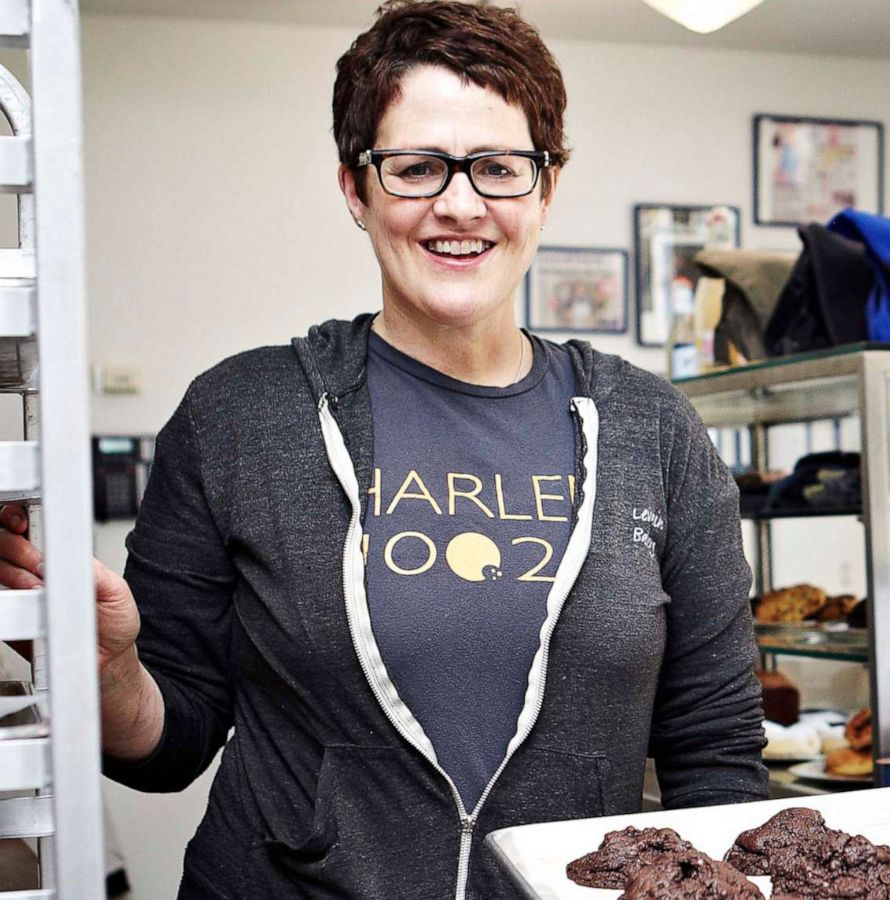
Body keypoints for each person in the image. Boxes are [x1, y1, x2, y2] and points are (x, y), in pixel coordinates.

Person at [0, 2, 765, 896]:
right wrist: (113, 672)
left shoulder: (654, 430)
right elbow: (165, 750)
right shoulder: (238, 414)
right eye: (415, 168)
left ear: (546, 188)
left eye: (497, 167)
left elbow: (714, 752)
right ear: (355, 190)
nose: (459, 203)